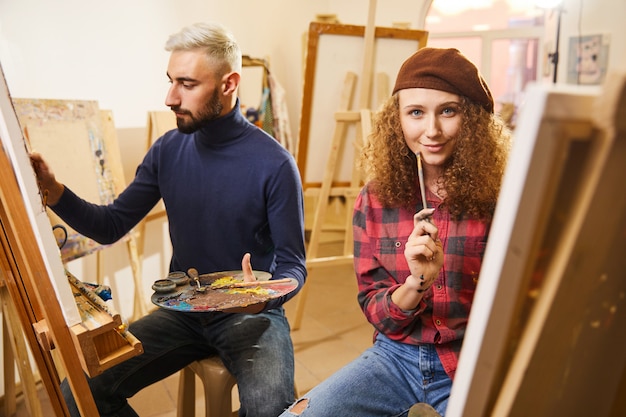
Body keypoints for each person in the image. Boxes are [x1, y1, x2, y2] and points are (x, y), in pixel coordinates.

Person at [30, 21, 306, 417]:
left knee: (271, 411)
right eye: (170, 80)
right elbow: (110, 226)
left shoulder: (275, 164)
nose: (170, 97)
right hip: (185, 312)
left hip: (252, 317)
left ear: (229, 85)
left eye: (187, 84)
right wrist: (54, 190)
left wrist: (264, 297)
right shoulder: (167, 150)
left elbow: (294, 265)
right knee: (79, 392)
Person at [278, 47, 511, 417]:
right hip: (395, 356)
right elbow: (377, 311)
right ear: (397, 120)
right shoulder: (374, 200)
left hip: (474, 360)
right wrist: (416, 282)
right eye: (415, 112)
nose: (431, 130)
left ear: (473, 121)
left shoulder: (505, 200)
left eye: (448, 111)